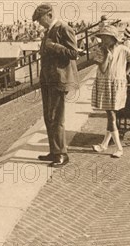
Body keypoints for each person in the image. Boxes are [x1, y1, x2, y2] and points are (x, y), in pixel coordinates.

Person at [33, 4, 79, 167]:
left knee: (57, 117)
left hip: (59, 80)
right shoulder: (48, 32)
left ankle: (62, 154)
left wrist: (54, 46)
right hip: (47, 80)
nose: (39, 23)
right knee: (48, 116)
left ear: (50, 15)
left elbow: (74, 53)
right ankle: (54, 151)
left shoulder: (63, 28)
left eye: (40, 19)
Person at [91, 25, 130, 158]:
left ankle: (118, 148)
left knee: (111, 115)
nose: (103, 40)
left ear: (113, 38)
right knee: (111, 115)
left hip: (117, 84)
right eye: (102, 37)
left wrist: (126, 73)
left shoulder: (123, 49)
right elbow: (104, 69)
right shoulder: (100, 50)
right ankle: (105, 145)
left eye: (106, 37)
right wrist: (106, 55)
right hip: (105, 84)